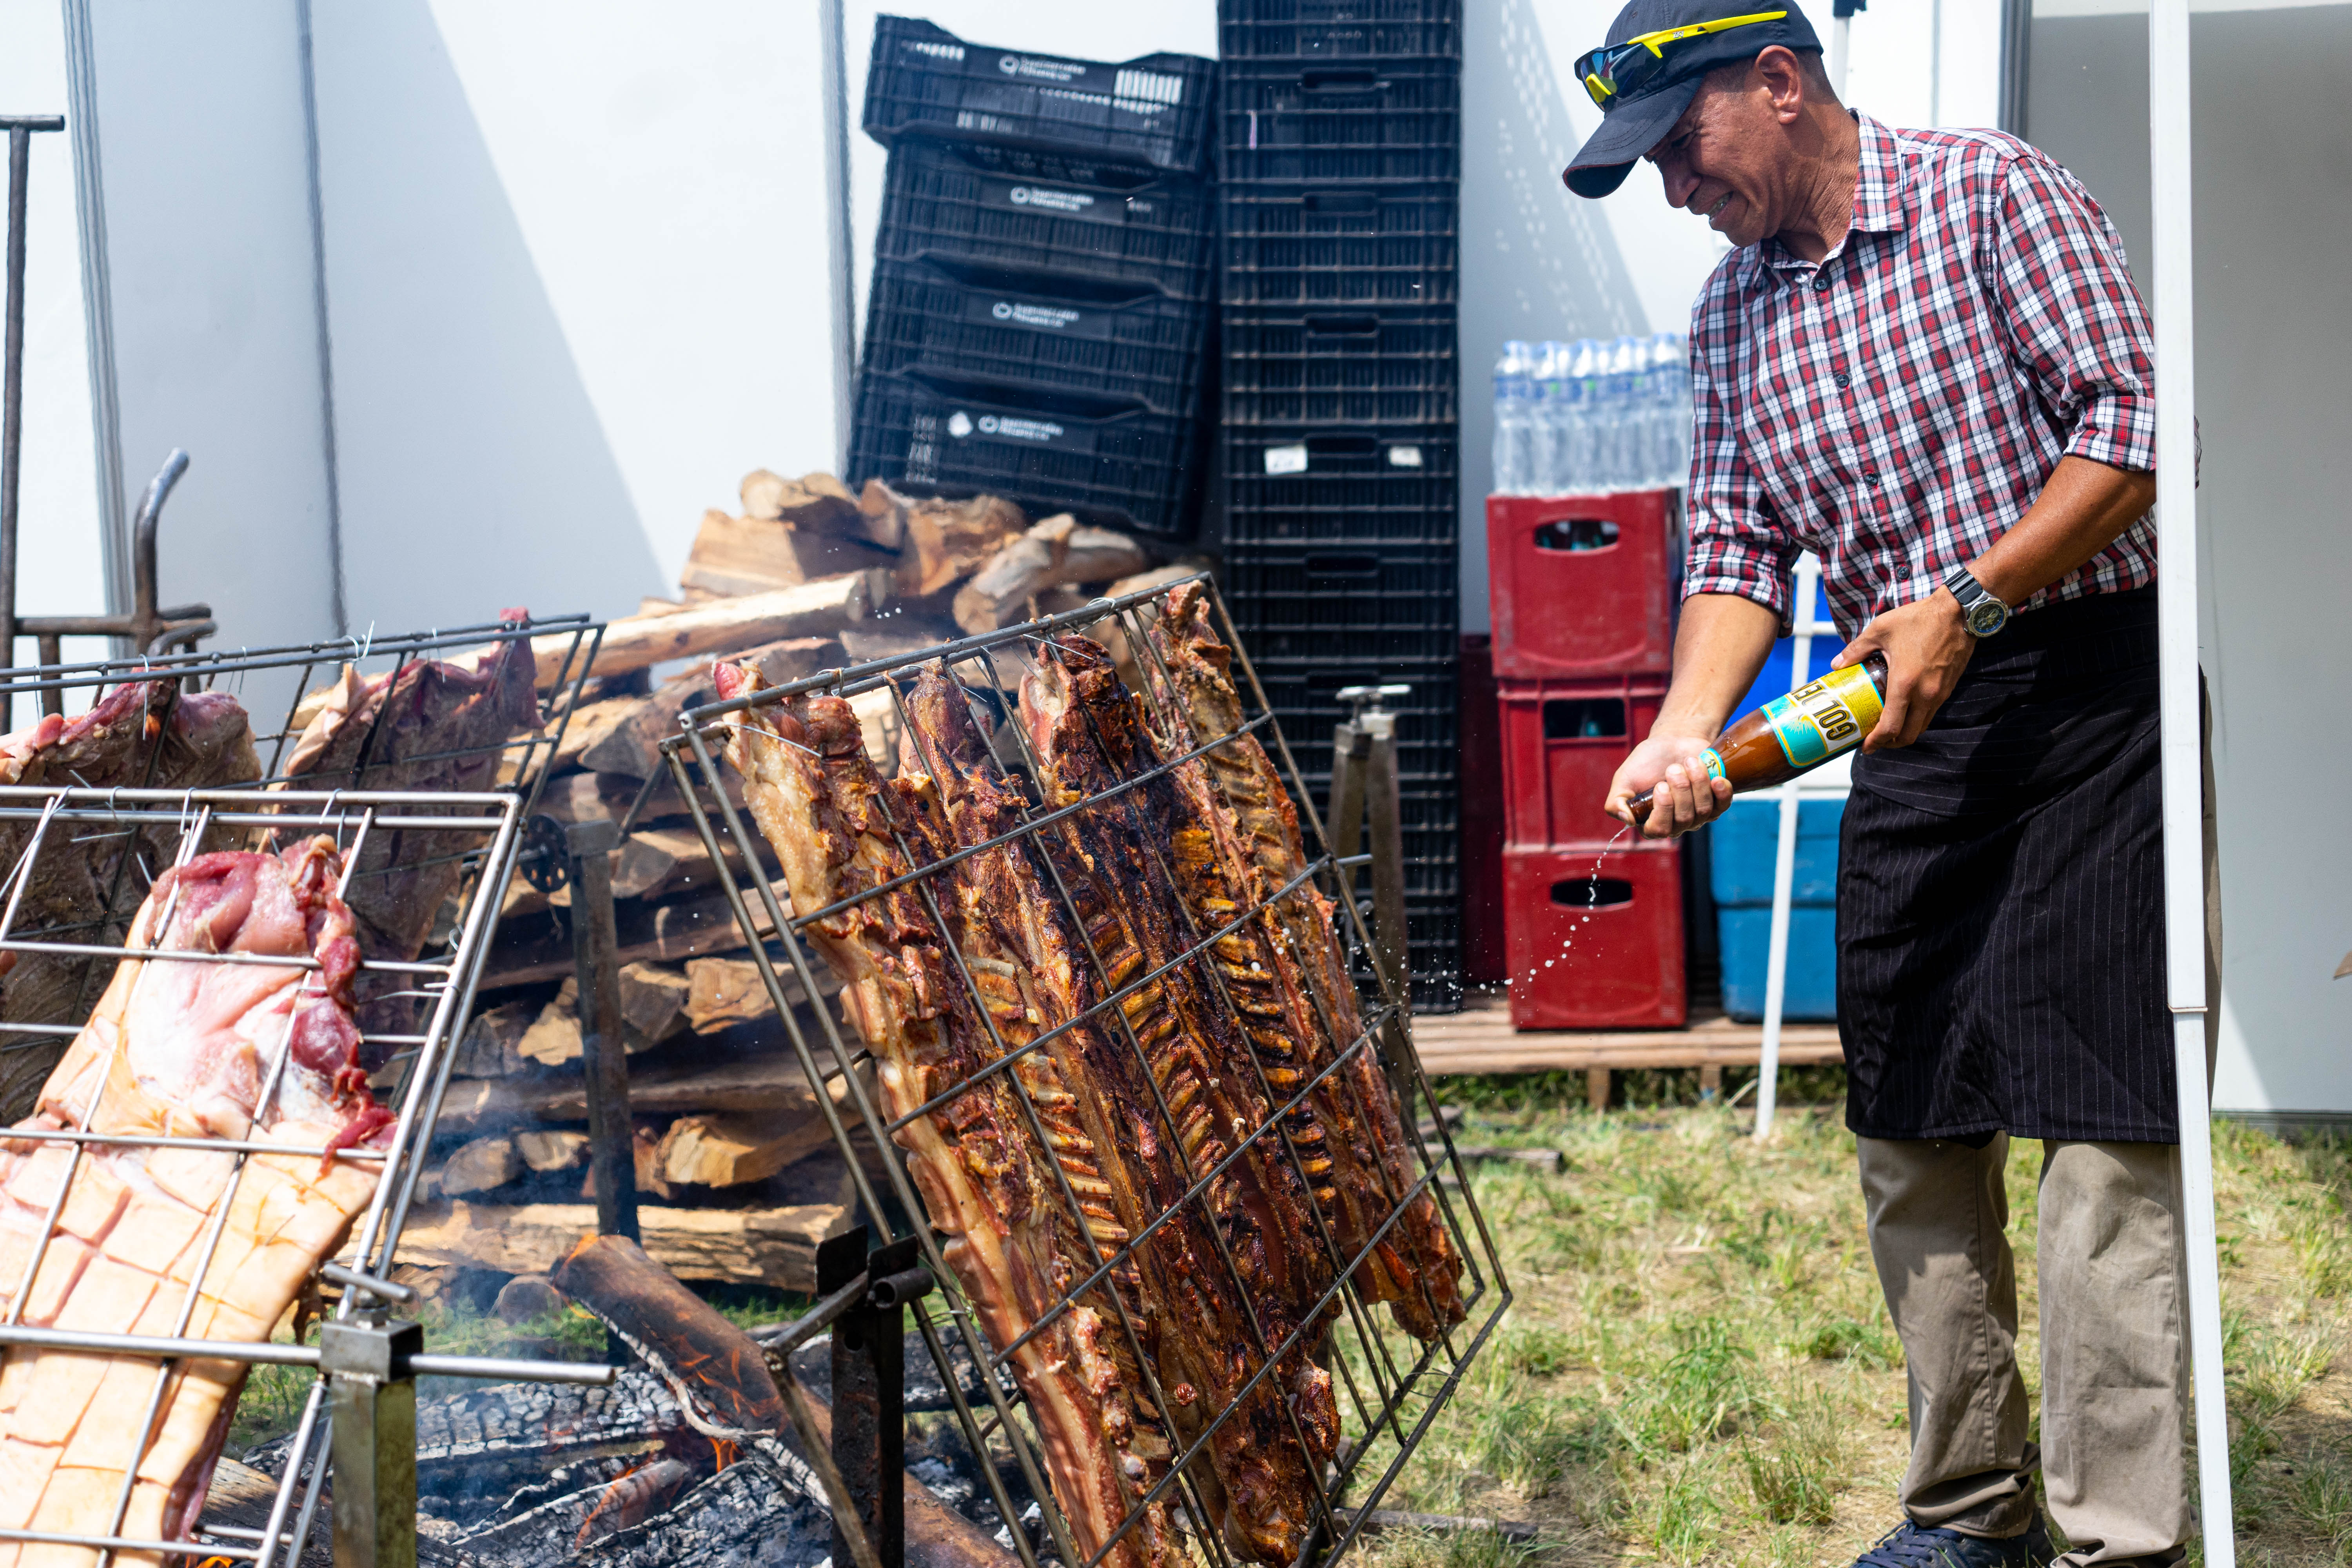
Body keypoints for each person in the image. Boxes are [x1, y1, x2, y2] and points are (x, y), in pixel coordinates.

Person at [1561, 4, 2220, 1565]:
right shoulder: (1727, 319)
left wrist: (1973, 597)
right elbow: (1732, 549)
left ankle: (2117, 1536)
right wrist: (1681, 727)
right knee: (1910, 1110)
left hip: (2087, 695)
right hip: (1908, 725)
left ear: (1778, 84)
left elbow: (2133, 432)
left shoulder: (1993, 193)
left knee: (2108, 1129)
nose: (1670, 191)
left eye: (1680, 148)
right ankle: (1967, 1512)